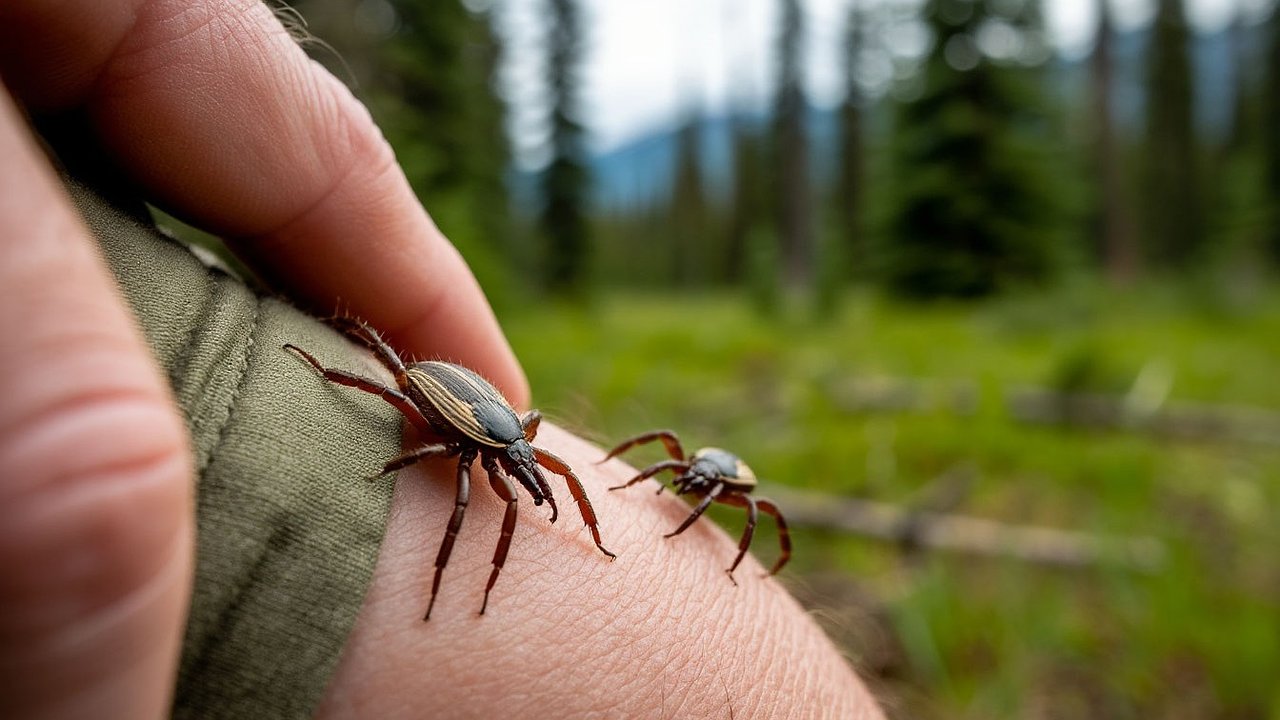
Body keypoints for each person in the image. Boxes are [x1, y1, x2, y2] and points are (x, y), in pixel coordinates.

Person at [0, 1, 883, 717]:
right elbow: (456, 455)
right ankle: (425, 550)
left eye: (527, 464)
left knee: (487, 463)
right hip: (448, 399)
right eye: (527, 468)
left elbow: (535, 465)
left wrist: (585, 528)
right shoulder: (473, 455)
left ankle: (530, 540)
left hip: (474, 408)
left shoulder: (522, 448)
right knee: (425, 442)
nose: (532, 479)